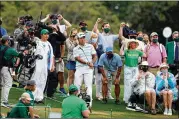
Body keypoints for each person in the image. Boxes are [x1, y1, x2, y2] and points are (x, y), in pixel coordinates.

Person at [93, 18, 120, 99]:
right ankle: (99, 94)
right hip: (101, 57)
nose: (107, 27)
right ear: (102, 28)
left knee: (109, 79)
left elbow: (120, 35)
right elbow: (95, 30)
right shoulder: (100, 35)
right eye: (106, 26)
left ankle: (108, 94)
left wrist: (121, 27)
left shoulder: (112, 36)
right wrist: (97, 22)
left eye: (108, 26)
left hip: (110, 60)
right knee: (99, 78)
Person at [0, 35, 25, 108]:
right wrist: (23, 53)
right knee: (7, 85)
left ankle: (3, 101)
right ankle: (4, 101)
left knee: (3, 85)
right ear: (7, 41)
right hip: (6, 68)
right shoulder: (10, 49)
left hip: (1, 68)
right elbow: (19, 55)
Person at [73, 32, 97, 107]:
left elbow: (94, 56)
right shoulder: (76, 48)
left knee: (88, 85)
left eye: (83, 37)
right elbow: (78, 58)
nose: (83, 39)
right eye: (81, 38)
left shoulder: (90, 46)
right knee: (77, 85)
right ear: (78, 40)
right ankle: (77, 102)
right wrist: (87, 62)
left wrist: (92, 62)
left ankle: (88, 104)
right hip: (79, 68)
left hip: (88, 69)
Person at [30, 29, 54, 102]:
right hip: (37, 63)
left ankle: (39, 97)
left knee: (43, 80)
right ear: (41, 35)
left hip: (45, 64)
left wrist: (52, 65)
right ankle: (32, 96)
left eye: (47, 34)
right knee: (35, 79)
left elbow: (51, 55)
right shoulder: (37, 42)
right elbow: (32, 52)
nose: (47, 35)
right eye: (45, 34)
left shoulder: (49, 44)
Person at [121, 39, 145, 104]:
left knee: (135, 83)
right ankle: (127, 99)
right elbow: (121, 53)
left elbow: (145, 55)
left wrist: (143, 48)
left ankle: (133, 99)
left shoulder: (138, 52)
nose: (133, 44)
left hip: (135, 68)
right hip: (127, 68)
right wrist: (123, 45)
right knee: (128, 83)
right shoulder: (127, 51)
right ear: (130, 44)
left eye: (135, 43)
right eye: (132, 43)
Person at [47, 24, 66, 96]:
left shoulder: (59, 36)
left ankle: (59, 88)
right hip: (50, 58)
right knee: (52, 75)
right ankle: (50, 90)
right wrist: (50, 29)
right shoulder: (49, 35)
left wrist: (58, 31)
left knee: (59, 73)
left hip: (58, 57)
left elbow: (63, 39)